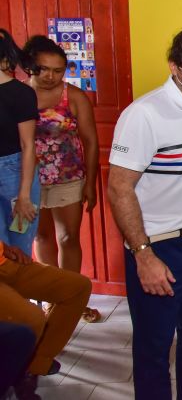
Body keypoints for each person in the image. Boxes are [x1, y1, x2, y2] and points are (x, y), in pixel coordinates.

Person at [107, 28, 182, 400]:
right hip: (160, 247)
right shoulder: (144, 114)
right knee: (154, 347)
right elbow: (119, 187)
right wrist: (143, 255)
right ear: (176, 66)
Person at [25, 36, 101, 323]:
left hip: (68, 178)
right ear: (30, 67)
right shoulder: (18, 96)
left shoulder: (74, 97)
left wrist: (91, 183)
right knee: (41, 237)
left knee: (68, 238)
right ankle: (49, 300)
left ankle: (71, 301)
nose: (50, 76)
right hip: (28, 181)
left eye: (58, 70)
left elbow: (91, 142)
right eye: (43, 69)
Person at [0, 239, 92, 400]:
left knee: (78, 287)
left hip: (4, 262)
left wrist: (4, 247)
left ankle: (32, 368)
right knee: (31, 318)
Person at [0, 30, 40, 256]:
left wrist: (24, 196)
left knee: (19, 250)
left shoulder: (21, 93)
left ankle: (19, 293)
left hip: (16, 173)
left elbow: (28, 145)